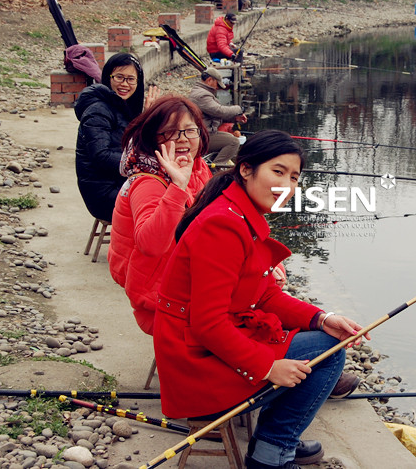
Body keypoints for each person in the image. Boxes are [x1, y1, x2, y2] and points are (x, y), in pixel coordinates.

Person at [154, 130, 369, 469]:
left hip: (204, 348)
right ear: (246, 169)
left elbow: (265, 293)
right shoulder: (223, 225)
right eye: (278, 171)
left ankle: (275, 440)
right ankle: (272, 453)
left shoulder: (238, 212)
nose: (287, 185)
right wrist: (268, 367)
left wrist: (322, 318)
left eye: (294, 177)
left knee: (325, 338)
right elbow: (208, 324)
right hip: (194, 365)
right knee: (327, 353)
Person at [107, 95, 212, 335]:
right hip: (161, 301)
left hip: (188, 280)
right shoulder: (148, 182)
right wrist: (178, 187)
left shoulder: (198, 167)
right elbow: (151, 245)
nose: (183, 139)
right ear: (153, 137)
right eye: (171, 132)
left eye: (190, 130)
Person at [75, 53, 160, 222]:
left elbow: (134, 144)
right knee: (165, 202)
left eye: (131, 79)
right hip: (103, 193)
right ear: (108, 77)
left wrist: (146, 117)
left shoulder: (122, 107)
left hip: (119, 182)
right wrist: (142, 164)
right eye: (119, 77)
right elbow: (101, 156)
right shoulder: (98, 111)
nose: (125, 84)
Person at [188, 67, 247, 166]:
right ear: (209, 80)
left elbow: (214, 115)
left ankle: (212, 165)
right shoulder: (202, 95)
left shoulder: (200, 92)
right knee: (233, 142)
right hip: (202, 136)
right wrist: (240, 109)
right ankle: (215, 169)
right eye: (217, 84)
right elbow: (219, 111)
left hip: (204, 133)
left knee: (229, 138)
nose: (218, 88)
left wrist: (235, 119)